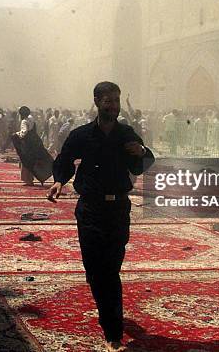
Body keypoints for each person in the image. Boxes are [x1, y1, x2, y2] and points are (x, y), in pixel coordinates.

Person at [48, 82, 154, 352]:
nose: (114, 106)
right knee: (95, 270)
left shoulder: (126, 134)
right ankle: (111, 325)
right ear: (97, 102)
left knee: (110, 270)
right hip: (90, 210)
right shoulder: (81, 135)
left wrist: (142, 153)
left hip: (118, 210)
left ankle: (111, 326)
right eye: (108, 101)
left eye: (117, 101)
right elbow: (64, 160)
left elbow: (140, 166)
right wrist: (59, 181)